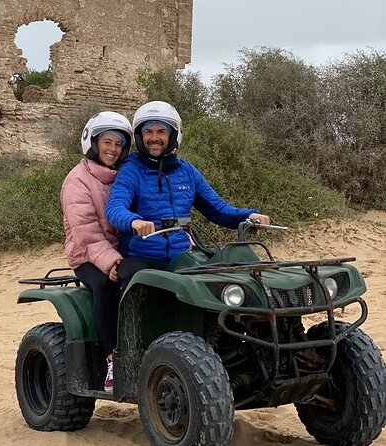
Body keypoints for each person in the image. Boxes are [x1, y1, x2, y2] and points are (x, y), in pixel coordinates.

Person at [105, 101, 270, 290]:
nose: (154, 137)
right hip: (142, 257)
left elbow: (218, 209)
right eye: (148, 131)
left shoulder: (187, 172)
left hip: (181, 256)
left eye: (161, 132)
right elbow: (115, 207)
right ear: (140, 137)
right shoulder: (132, 170)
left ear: (173, 135)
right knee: (134, 282)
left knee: (218, 287)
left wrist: (248, 216)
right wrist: (133, 221)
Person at [61, 111, 133, 393]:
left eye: (118, 144)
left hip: (123, 250)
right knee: (105, 285)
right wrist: (112, 262)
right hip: (87, 255)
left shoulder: (125, 176)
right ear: (92, 143)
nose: (113, 149)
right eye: (107, 142)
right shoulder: (77, 181)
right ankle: (113, 359)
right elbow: (86, 234)